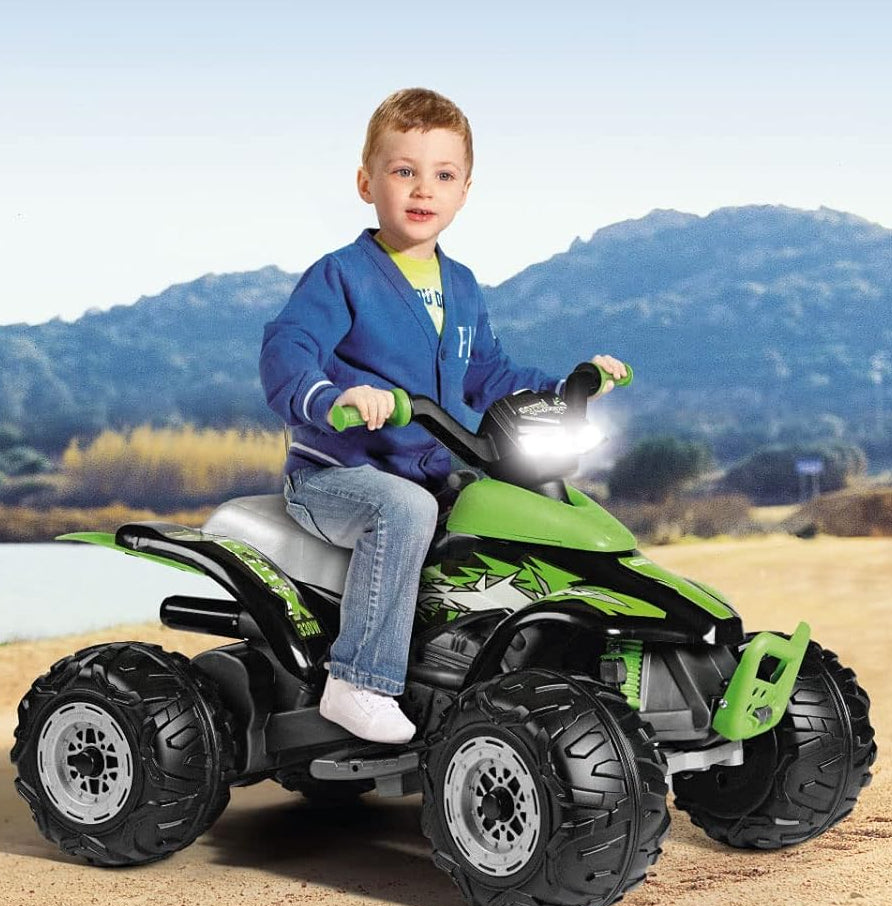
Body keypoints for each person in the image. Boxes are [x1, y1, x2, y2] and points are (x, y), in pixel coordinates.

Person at [259, 88, 627, 744]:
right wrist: (331, 399)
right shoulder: (340, 276)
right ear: (366, 183)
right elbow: (288, 352)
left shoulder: (460, 285)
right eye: (404, 171)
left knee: (506, 504)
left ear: (464, 191)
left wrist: (571, 385)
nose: (422, 188)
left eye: (443, 174)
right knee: (404, 511)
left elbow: (489, 374)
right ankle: (359, 680)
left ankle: (489, 661)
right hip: (337, 473)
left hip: (430, 467)